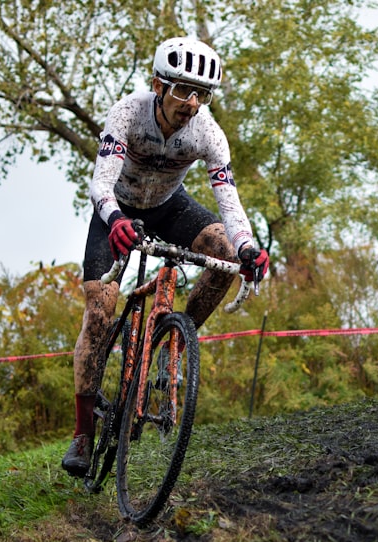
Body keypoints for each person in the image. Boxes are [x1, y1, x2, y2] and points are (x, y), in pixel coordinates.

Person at [62, 37, 269, 477]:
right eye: (182, 91)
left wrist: (249, 247)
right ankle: (82, 433)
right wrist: (115, 218)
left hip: (169, 206)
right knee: (99, 311)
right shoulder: (128, 113)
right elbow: (99, 183)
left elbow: (229, 202)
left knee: (226, 253)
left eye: (203, 95)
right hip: (115, 210)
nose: (192, 104)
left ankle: (175, 342)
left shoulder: (208, 133)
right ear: (158, 84)